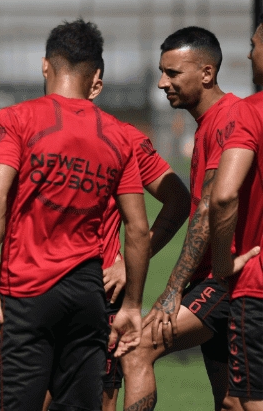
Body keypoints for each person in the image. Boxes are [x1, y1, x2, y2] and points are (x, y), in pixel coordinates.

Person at [0, 19, 150, 411]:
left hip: (27, 290)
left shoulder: (16, 118)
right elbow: (138, 228)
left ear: (45, 65)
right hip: (88, 293)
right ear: (96, 75)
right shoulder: (120, 134)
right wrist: (133, 305)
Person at [42, 62, 191, 411]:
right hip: (37, 288)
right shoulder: (28, 132)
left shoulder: (123, 138)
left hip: (100, 291)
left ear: (95, 86)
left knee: (98, 401)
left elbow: (178, 199)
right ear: (46, 73)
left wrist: (130, 263)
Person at [121, 27, 244, 411]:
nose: (162, 83)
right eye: (162, 72)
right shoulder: (210, 123)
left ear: (207, 73)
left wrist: (173, 289)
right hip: (218, 279)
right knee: (231, 402)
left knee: (138, 347)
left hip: (227, 278)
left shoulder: (227, 119)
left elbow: (208, 208)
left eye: (172, 73)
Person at [209, 14, 263, 411]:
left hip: (257, 286)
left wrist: (222, 261)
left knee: (249, 403)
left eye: (254, 46)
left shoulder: (250, 111)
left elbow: (224, 196)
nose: (248, 55)